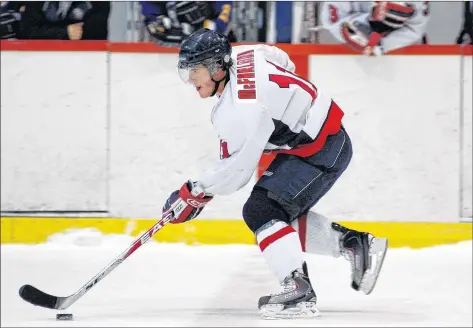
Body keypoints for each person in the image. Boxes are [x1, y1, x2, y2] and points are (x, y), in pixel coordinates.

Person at [162, 28, 388, 319]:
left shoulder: (239, 111)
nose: (191, 79)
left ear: (218, 68)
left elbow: (236, 171)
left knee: (261, 210)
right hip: (321, 140)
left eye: (196, 70)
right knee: (277, 219)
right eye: (187, 71)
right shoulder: (245, 54)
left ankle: (298, 289)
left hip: (320, 150)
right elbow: (280, 58)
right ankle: (354, 245)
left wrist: (194, 192)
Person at [319, 1, 429, 55]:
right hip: (351, 58)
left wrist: (382, 45)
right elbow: (333, 22)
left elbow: (416, 28)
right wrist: (361, 24)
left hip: (408, 57)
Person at [140, 1, 236, 46]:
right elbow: (152, 21)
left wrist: (199, 31)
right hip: (171, 54)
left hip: (217, 46)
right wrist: (158, 23)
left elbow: (223, 16)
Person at [19, 1, 109, 40]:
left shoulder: (98, 2)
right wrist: (63, 32)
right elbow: (27, 31)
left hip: (83, 63)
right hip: (42, 61)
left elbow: (95, 37)